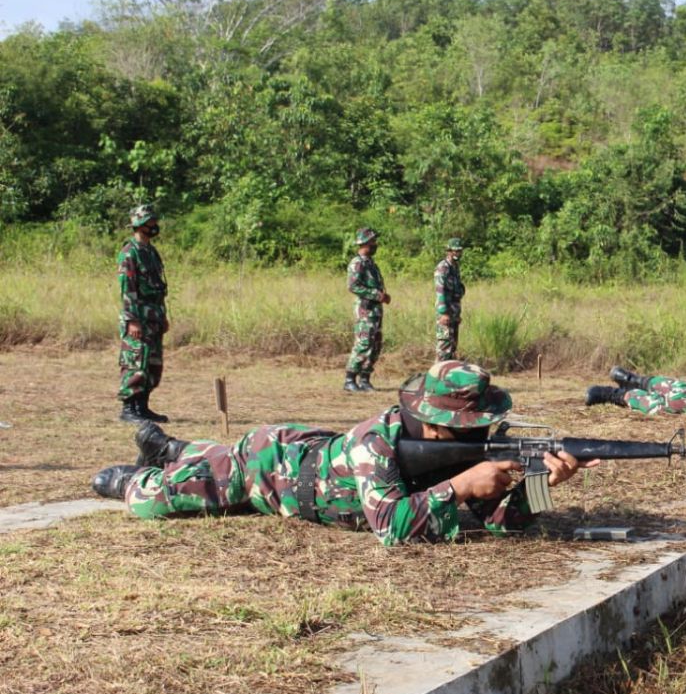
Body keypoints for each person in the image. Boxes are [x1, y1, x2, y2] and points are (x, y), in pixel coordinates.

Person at [90, 362, 594, 544]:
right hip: (269, 467)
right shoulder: (375, 442)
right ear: (437, 426)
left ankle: (173, 447)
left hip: (308, 447)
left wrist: (541, 489)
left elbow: (502, 523)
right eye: (471, 425)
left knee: (206, 456)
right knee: (158, 500)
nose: (482, 433)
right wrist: (461, 486)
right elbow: (393, 528)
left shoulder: (452, 450)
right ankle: (133, 475)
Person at [116, 204, 170, 423]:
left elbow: (159, 287)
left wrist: (163, 315)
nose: (154, 225)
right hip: (138, 316)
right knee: (136, 361)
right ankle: (129, 408)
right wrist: (132, 321)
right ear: (139, 225)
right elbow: (127, 288)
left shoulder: (151, 251)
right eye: (150, 222)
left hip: (154, 315)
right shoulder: (129, 253)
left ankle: (143, 407)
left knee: (152, 362)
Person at [344, 227, 390, 393]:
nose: (375, 244)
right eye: (373, 241)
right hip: (365, 310)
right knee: (363, 343)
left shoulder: (371, 264)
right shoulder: (357, 263)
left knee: (375, 344)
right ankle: (350, 379)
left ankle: (365, 378)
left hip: (375, 310)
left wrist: (382, 296)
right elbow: (353, 286)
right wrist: (377, 295)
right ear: (365, 243)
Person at [434, 237, 466, 361]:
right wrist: (443, 313)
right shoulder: (443, 268)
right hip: (445, 313)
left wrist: (456, 314)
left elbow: (458, 290)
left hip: (454, 313)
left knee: (452, 347)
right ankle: (437, 377)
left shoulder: (455, 267)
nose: (458, 253)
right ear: (449, 251)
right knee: (444, 348)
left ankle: (448, 378)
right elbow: (440, 291)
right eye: (455, 251)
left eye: (459, 251)